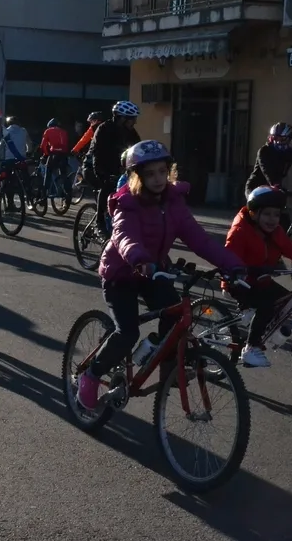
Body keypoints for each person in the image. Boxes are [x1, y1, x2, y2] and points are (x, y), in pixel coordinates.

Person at [76, 140, 246, 410]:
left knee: (177, 316)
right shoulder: (127, 204)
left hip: (153, 272)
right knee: (127, 332)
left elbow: (200, 240)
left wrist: (233, 265)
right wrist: (140, 259)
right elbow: (124, 236)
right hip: (121, 273)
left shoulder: (174, 202)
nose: (158, 179)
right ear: (138, 176)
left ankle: (168, 372)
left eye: (162, 171)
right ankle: (91, 375)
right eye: (150, 173)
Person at [224, 185, 292, 367]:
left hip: (261, 280)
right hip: (239, 283)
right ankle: (251, 348)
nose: (272, 219)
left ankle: (266, 333)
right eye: (267, 214)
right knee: (266, 306)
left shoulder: (276, 233)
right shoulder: (240, 231)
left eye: (276, 215)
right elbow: (227, 258)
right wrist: (238, 272)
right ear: (253, 214)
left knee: (286, 299)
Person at [85, 101, 141, 234]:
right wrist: (102, 174)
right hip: (94, 167)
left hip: (116, 169)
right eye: (132, 119)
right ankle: (100, 222)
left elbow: (138, 149)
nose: (135, 122)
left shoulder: (131, 132)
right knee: (107, 187)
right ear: (121, 118)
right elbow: (97, 154)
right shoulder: (104, 129)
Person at [40, 118, 71, 194]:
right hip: (63, 155)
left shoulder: (48, 131)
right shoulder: (64, 132)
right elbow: (66, 144)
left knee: (48, 173)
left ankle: (44, 193)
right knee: (63, 174)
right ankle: (68, 193)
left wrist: (46, 154)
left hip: (54, 154)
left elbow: (43, 145)